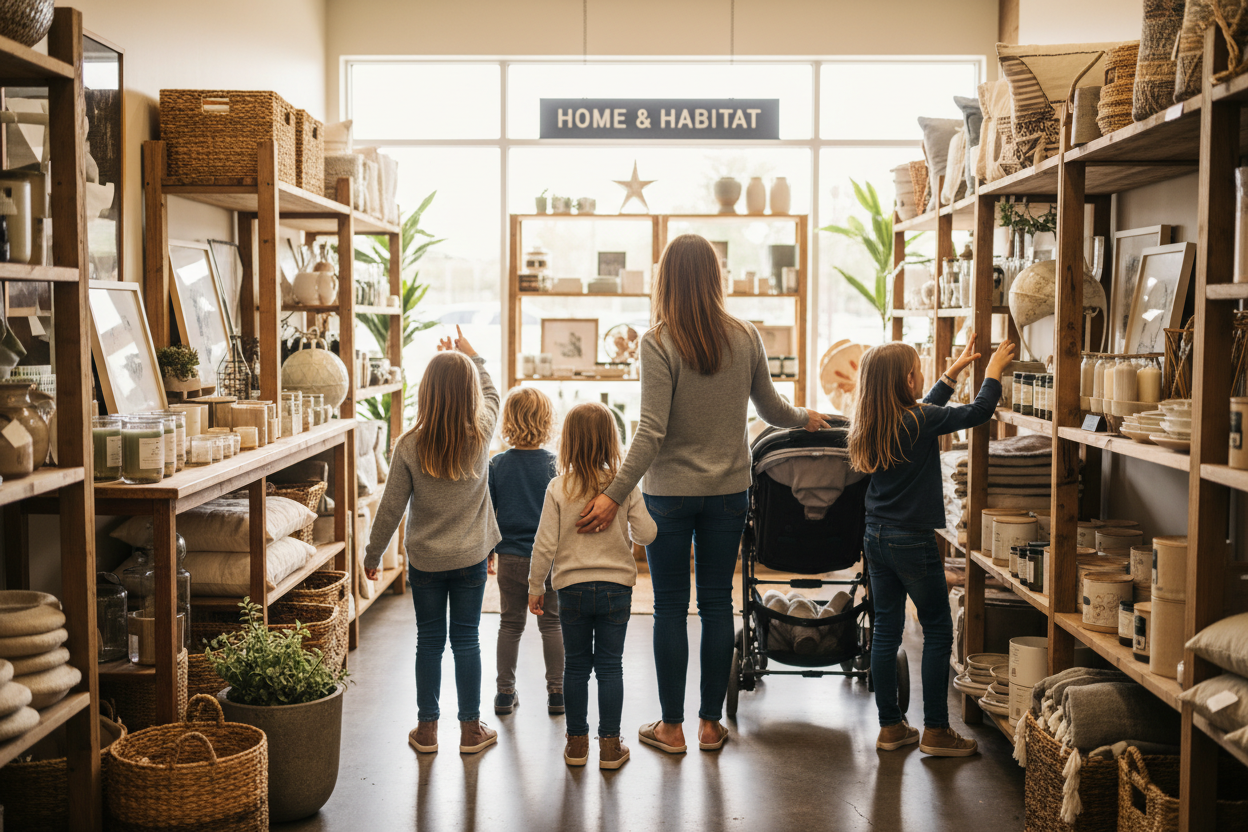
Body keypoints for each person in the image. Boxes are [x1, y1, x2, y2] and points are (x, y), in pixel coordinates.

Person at [576, 234, 832, 754]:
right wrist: (806, 417)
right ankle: (710, 726)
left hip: (668, 494)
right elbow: (771, 409)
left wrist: (613, 495)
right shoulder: (745, 336)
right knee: (717, 605)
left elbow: (649, 431)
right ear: (716, 278)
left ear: (665, 281)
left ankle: (671, 729)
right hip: (728, 493)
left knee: (670, 607)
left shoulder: (658, 341)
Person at [848, 334, 1016, 757]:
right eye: (919, 371)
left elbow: (924, 409)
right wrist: (992, 372)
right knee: (938, 629)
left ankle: (891, 728)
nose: (924, 377)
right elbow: (978, 413)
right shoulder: (919, 420)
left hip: (876, 536)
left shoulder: (875, 421)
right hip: (913, 541)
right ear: (907, 380)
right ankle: (937, 731)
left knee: (886, 629)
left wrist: (950, 374)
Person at [364, 325, 500, 756]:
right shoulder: (481, 434)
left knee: (428, 640)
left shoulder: (408, 444)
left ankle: (426, 730)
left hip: (425, 561)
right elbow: (494, 393)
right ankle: (469, 731)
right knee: (467, 640)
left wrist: (372, 554)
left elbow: (390, 508)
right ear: (470, 396)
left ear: (426, 394)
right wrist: (471, 354)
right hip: (470, 557)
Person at [528, 402, 657, 770]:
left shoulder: (558, 487)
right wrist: (630, 523)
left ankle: (576, 744)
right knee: (610, 667)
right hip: (617, 588)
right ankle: (611, 748)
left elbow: (544, 544)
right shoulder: (624, 487)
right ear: (611, 442)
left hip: (572, 590)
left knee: (576, 666)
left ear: (567, 443)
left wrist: (535, 585)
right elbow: (646, 534)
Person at [488, 387, 563, 716]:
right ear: (547, 422)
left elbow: (489, 515)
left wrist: (490, 552)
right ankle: (558, 693)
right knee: (552, 625)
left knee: (510, 624)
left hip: (511, 559)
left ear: (508, 421)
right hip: (551, 561)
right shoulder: (557, 464)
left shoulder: (498, 464)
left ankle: (505, 694)